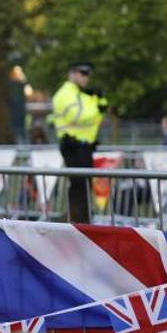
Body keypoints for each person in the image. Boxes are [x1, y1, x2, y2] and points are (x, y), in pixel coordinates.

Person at [50, 61, 108, 223]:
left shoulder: (80, 95)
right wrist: (97, 106)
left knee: (83, 186)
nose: (86, 78)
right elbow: (79, 116)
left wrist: (99, 102)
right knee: (79, 186)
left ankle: (80, 221)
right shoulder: (66, 94)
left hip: (84, 146)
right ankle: (78, 222)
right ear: (73, 73)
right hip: (73, 146)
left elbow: (97, 115)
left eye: (88, 75)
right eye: (83, 74)